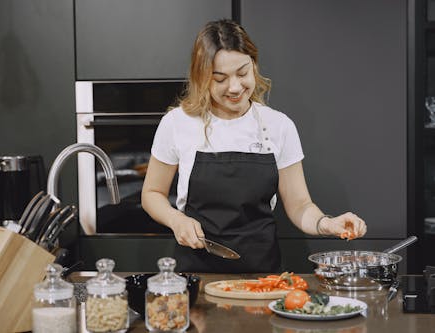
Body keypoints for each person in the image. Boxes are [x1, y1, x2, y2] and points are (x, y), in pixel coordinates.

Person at [141, 19, 367, 273]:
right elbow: (151, 193)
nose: (235, 87)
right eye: (220, 78)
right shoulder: (177, 123)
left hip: (261, 277)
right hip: (195, 273)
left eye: (242, 72)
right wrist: (176, 219)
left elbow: (300, 205)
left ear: (254, 66)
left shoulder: (279, 125)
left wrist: (328, 224)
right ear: (202, 77)